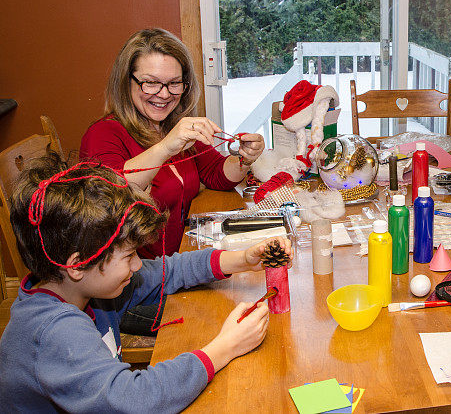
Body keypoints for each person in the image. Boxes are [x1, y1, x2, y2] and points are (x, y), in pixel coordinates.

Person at [0, 154, 293, 413]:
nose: (138, 264)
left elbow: (170, 270)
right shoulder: (53, 332)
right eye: (129, 255)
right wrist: (224, 348)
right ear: (77, 264)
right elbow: (134, 399)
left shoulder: (86, 288)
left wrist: (243, 258)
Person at [81, 28, 265, 260]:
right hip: (138, 277)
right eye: (150, 83)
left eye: (174, 83)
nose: (164, 94)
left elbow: (217, 175)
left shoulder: (174, 125)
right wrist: (166, 146)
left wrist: (245, 157)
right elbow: (110, 197)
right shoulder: (103, 133)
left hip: (181, 258)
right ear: (126, 81)